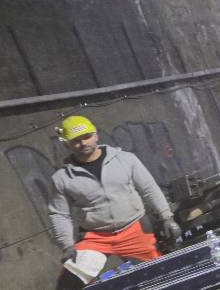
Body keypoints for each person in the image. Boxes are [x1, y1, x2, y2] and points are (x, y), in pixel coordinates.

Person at [48, 116, 181, 285]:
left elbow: (149, 189)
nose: (83, 143)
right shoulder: (62, 178)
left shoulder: (125, 159)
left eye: (86, 136)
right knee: (68, 283)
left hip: (135, 229)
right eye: (76, 141)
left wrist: (166, 217)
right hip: (96, 237)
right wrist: (67, 245)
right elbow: (59, 214)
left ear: (96, 135)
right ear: (66, 144)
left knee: (161, 277)